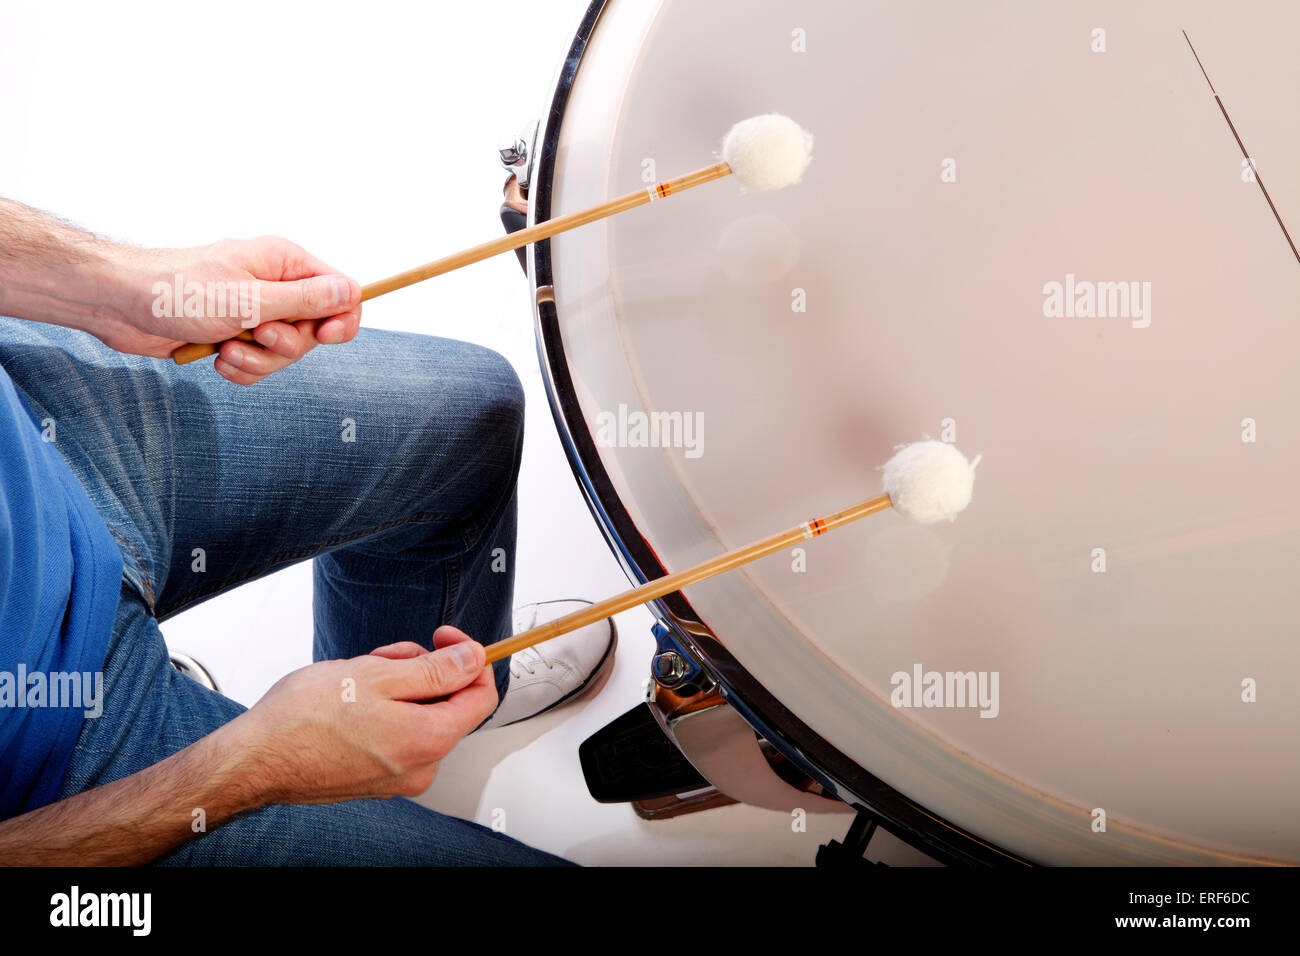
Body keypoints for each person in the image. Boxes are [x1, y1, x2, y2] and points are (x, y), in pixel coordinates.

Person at [0, 195, 614, 865]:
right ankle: (343, 760)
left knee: (471, 414)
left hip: (39, 431)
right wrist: (255, 765)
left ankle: (431, 712)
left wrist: (116, 289)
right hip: (49, 773)